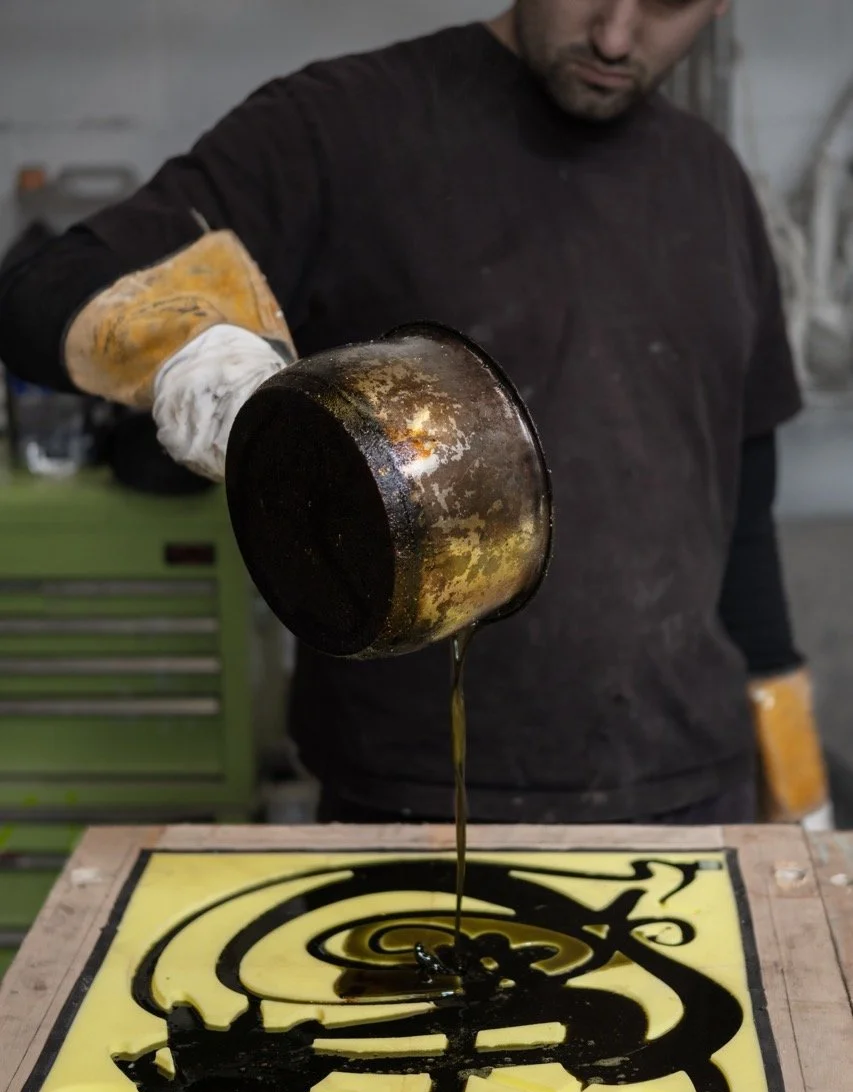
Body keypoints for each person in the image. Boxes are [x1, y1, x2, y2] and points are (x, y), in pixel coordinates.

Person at [0, 1, 833, 827]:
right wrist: (205, 369)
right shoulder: (341, 128)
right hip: (414, 801)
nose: (615, 36)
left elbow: (739, 492)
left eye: (664, 1)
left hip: (689, 788)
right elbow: (46, 288)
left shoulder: (709, 181)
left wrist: (785, 738)